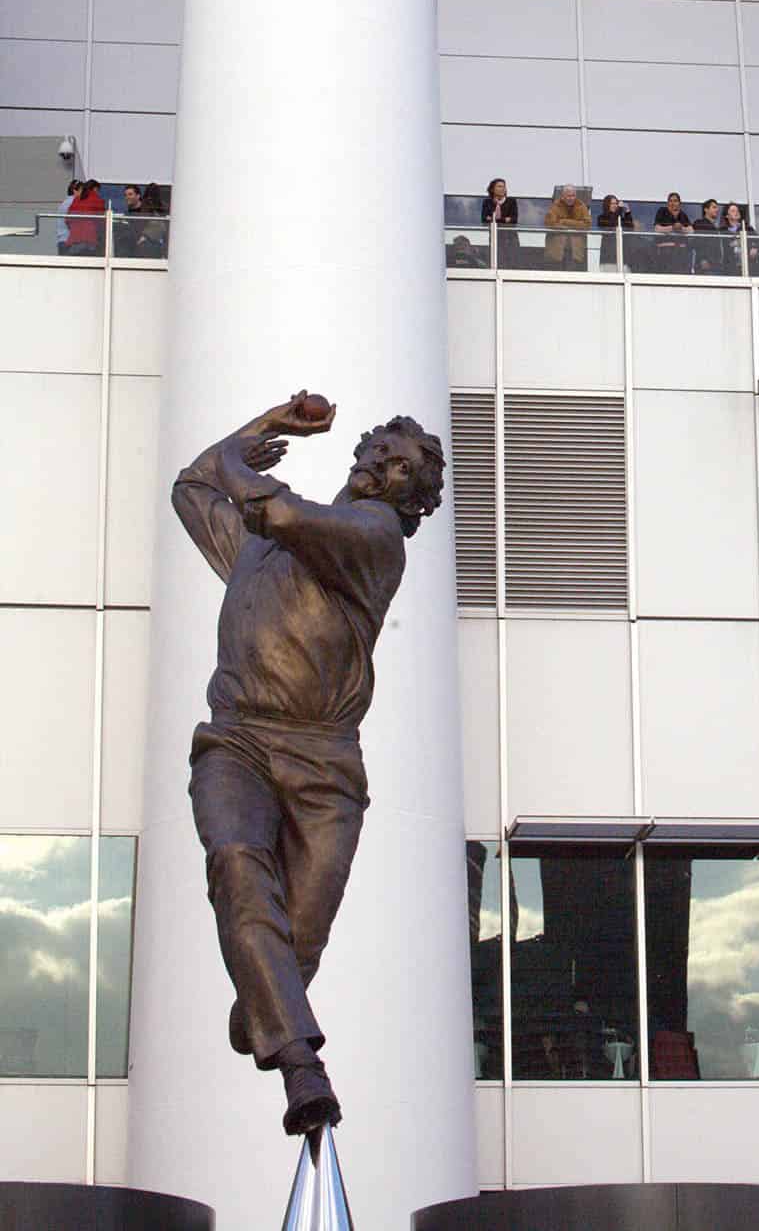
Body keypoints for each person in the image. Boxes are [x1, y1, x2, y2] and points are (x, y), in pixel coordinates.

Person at [172, 389, 446, 1136]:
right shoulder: (257, 551)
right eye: (379, 451)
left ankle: (264, 999)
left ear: (412, 501)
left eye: (402, 467)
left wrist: (239, 457)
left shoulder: (374, 538)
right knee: (236, 864)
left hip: (324, 763)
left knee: (298, 940)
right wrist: (260, 426)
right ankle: (301, 1064)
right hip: (236, 740)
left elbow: (276, 508)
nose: (383, 465)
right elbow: (194, 489)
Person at [543, 184, 591, 271]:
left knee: (573, 277)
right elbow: (550, 223)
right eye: (568, 196)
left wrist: (565, 221)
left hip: (576, 251)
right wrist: (575, 225)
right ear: (563, 196)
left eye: (573, 195)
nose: (571, 198)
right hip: (557, 251)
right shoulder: (555, 205)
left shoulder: (581, 206)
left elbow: (587, 224)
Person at [481, 177, 519, 268]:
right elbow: (484, 219)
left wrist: (494, 219)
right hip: (495, 238)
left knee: (511, 263)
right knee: (496, 261)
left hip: (510, 239)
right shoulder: (487, 202)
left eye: (504, 187)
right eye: (499, 186)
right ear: (492, 189)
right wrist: (505, 219)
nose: (503, 189)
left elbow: (514, 219)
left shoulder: (512, 202)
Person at [720, 202, 759, 277]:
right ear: (727, 216)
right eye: (733, 211)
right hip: (731, 269)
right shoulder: (721, 231)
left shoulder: (747, 228)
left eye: (737, 210)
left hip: (749, 267)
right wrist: (731, 244)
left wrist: (755, 248)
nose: (736, 212)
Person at [63, 178, 105, 256]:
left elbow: (67, 220)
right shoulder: (98, 200)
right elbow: (101, 223)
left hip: (74, 240)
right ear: (95, 189)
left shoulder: (76, 199)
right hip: (90, 240)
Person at [653, 191, 692, 274]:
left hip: (681, 253)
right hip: (665, 252)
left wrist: (681, 228)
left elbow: (691, 230)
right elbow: (657, 229)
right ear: (667, 203)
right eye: (670, 201)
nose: (672, 203)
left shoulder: (683, 214)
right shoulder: (662, 211)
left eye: (675, 201)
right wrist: (672, 227)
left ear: (679, 203)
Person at [597, 194, 634, 270]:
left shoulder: (621, 218)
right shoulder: (601, 218)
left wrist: (627, 212)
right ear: (607, 205)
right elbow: (612, 223)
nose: (615, 206)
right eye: (612, 204)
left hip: (622, 256)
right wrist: (619, 210)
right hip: (608, 258)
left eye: (616, 203)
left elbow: (630, 227)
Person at [133, 183, 169, 259]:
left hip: (147, 241)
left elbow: (140, 222)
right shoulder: (163, 207)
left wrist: (140, 238)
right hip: (157, 242)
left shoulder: (145, 205)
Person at [691, 198, 724, 275]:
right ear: (706, 209)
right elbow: (696, 242)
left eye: (717, 208)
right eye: (714, 207)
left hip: (717, 265)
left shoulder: (717, 228)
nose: (717, 210)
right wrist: (702, 259)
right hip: (705, 266)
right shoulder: (700, 223)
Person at [113, 184, 144, 257]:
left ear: (138, 196)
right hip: (129, 248)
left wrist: (145, 237)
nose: (127, 197)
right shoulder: (127, 213)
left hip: (142, 249)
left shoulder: (147, 211)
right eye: (126, 195)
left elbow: (157, 224)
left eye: (130, 194)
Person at [55, 180, 82, 255]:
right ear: (75, 191)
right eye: (81, 190)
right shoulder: (74, 203)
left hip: (62, 240)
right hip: (70, 242)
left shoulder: (64, 203)